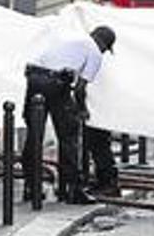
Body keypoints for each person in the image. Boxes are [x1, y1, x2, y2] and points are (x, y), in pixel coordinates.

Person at [22, 25, 116, 204]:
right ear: (103, 44)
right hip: (57, 83)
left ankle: (31, 186)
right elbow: (80, 88)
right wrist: (81, 110)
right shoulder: (95, 52)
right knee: (69, 136)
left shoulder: (72, 38)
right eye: (106, 49)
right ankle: (71, 189)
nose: (104, 53)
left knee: (34, 136)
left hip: (34, 78)